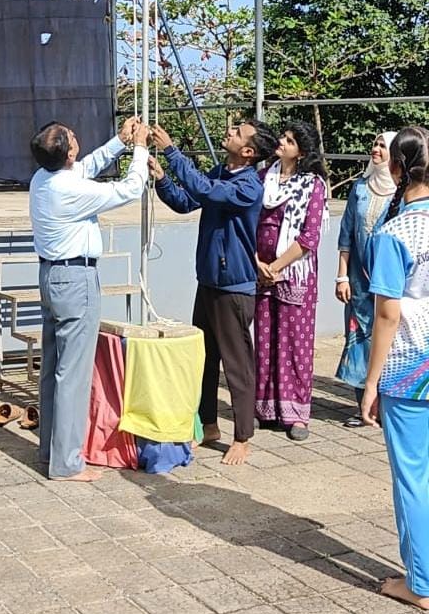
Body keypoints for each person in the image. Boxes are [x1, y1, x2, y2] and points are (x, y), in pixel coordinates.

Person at [150, 120, 278, 466]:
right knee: (204, 360)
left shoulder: (249, 186)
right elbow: (186, 200)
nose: (230, 131)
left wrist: (171, 151)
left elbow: (205, 190)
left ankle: (243, 437)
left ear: (248, 152)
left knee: (237, 365)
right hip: (208, 281)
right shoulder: (221, 172)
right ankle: (208, 426)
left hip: (233, 287)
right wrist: (162, 179)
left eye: (238, 132)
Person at [30, 116, 150, 482]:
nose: (75, 135)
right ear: (67, 153)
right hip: (75, 279)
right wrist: (140, 149)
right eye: (70, 136)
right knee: (74, 374)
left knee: (53, 368)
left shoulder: (44, 178)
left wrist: (119, 142)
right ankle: (67, 463)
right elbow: (130, 189)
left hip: (52, 276)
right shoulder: (70, 190)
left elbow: (86, 167)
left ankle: (51, 450)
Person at [362, 126, 429, 610]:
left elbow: (387, 314)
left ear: (395, 167)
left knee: (412, 477)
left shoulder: (395, 234)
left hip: (408, 368)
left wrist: (370, 382)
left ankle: (420, 583)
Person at [254, 121, 328, 441]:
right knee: (265, 339)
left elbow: (309, 237)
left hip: (294, 273)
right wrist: (258, 264)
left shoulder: (313, 186)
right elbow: (249, 221)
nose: (282, 142)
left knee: (294, 343)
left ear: (301, 153)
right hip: (261, 271)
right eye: (283, 137)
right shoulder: (262, 178)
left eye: (290, 140)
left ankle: (296, 413)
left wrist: (276, 266)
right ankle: (266, 408)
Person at [335, 131, 397, 426]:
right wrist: (341, 276)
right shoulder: (360, 187)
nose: (376, 149)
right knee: (359, 336)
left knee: (389, 338)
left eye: (383, 146)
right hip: (358, 279)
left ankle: (388, 406)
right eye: (375, 143)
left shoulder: (402, 191)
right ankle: (364, 405)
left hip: (389, 276)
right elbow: (346, 234)